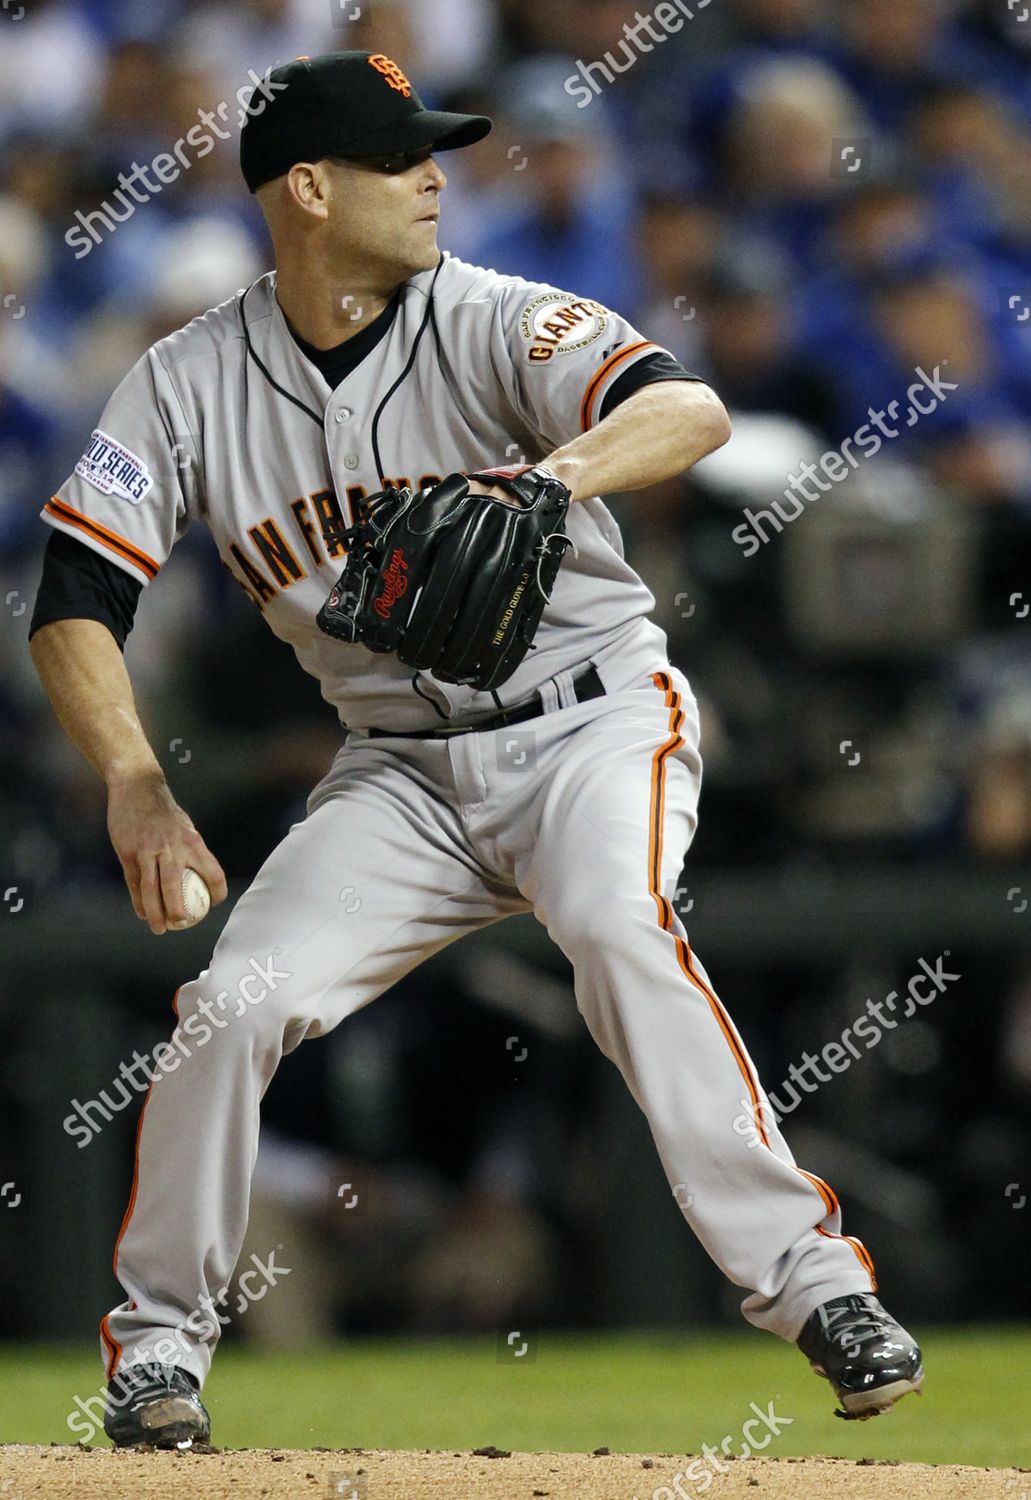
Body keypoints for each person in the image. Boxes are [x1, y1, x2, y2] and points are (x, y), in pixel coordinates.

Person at [28, 50, 922, 1448]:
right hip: (396, 771)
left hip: (592, 717)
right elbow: (77, 596)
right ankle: (157, 1354)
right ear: (309, 191)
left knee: (619, 927)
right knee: (229, 1009)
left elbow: (686, 406)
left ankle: (815, 1288)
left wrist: (550, 473)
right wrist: (136, 783)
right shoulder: (185, 382)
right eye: (402, 159)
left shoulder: (494, 316)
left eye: (434, 153)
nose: (437, 177)